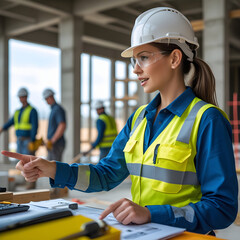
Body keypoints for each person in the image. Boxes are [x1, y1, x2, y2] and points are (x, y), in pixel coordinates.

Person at [2, 7, 238, 235]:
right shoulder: (139, 118)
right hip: (149, 234)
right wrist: (52, 168)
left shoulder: (207, 120)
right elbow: (106, 174)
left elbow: (222, 208)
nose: (135, 70)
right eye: (134, 60)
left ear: (175, 58)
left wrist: (151, 214)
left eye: (143, 58)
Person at [0, 87, 38, 155]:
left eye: (23, 97)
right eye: (20, 97)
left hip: (28, 140)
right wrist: (2, 128)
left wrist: (32, 140)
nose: (21, 99)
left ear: (26, 97)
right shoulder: (17, 112)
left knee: (28, 161)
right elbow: (11, 122)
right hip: (19, 140)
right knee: (19, 161)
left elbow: (35, 126)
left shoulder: (32, 110)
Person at [42, 88, 66, 162]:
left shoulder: (57, 109)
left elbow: (62, 125)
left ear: (50, 97)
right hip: (54, 144)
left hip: (56, 144)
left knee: (54, 168)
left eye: (46, 99)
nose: (46, 101)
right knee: (51, 166)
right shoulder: (54, 109)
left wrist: (53, 140)